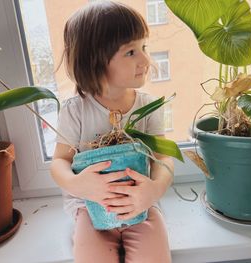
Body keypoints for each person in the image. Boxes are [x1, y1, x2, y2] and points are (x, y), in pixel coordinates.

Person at [50, 1, 173, 262]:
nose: (145, 60)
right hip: (90, 206)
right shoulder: (75, 110)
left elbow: (163, 157)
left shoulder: (147, 106)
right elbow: (59, 162)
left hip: (139, 202)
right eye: (130, 52)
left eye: (144, 48)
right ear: (94, 60)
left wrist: (155, 190)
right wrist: (77, 184)